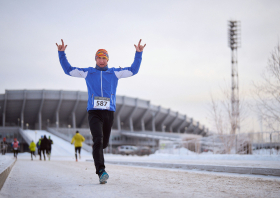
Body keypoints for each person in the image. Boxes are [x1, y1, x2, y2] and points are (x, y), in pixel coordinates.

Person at [56, 39, 145, 184]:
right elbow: (69, 70)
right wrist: (61, 53)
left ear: (107, 59)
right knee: (98, 140)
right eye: (99, 57)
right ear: (95, 59)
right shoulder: (88, 72)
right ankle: (101, 171)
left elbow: (133, 70)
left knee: (103, 143)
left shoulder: (115, 73)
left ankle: (98, 150)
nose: (101, 60)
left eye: (104, 58)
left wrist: (139, 53)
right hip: (94, 112)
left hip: (108, 112)